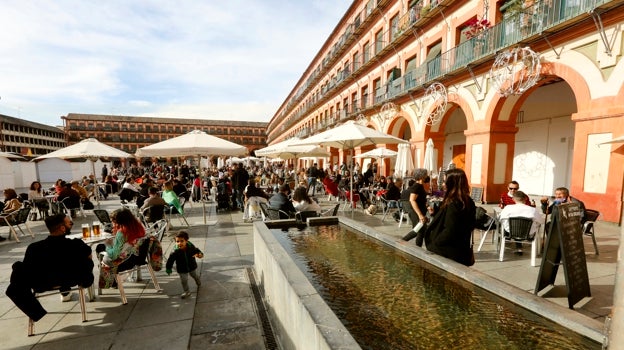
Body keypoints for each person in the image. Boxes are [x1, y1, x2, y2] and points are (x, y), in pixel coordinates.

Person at [6, 214, 94, 321]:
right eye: (69, 223)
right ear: (62, 228)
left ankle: (37, 313)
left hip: (42, 284)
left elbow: (27, 272)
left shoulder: (34, 248)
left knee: (18, 267)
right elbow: (89, 264)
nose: (71, 224)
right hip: (70, 280)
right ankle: (65, 290)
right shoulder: (76, 244)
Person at [424, 168, 477, 266]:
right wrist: (435, 214)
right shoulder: (468, 201)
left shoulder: (453, 202)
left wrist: (435, 243)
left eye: (445, 181)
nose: (443, 184)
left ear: (452, 183)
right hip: (461, 250)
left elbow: (450, 229)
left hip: (448, 253)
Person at [97, 208, 146, 288]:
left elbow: (114, 255)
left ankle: (110, 280)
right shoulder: (138, 227)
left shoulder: (122, 233)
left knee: (100, 249)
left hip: (124, 263)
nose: (112, 223)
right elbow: (126, 245)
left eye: (113, 221)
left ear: (120, 221)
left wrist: (109, 245)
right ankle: (111, 278)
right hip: (137, 257)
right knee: (102, 248)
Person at [499, 190, 544, 255]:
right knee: (537, 225)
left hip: (510, 232)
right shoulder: (532, 210)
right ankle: (537, 251)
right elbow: (541, 221)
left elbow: (501, 219)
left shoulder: (507, 208)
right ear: (525, 198)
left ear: (513, 199)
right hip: (528, 233)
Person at [166, 230, 203, 299]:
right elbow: (170, 260)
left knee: (194, 275)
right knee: (184, 280)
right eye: (177, 241)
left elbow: (196, 250)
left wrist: (200, 254)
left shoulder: (190, 246)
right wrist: (168, 268)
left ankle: (197, 280)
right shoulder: (175, 251)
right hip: (182, 268)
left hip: (191, 266)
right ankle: (187, 291)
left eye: (182, 241)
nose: (179, 243)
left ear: (186, 241)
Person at [400, 169, 430, 246]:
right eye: (425, 174)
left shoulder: (420, 186)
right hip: (415, 212)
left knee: (421, 231)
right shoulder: (417, 186)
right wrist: (420, 215)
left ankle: (418, 248)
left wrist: (426, 206)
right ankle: (401, 241)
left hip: (419, 211)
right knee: (418, 230)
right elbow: (412, 200)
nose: (427, 176)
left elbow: (419, 200)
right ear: (422, 176)